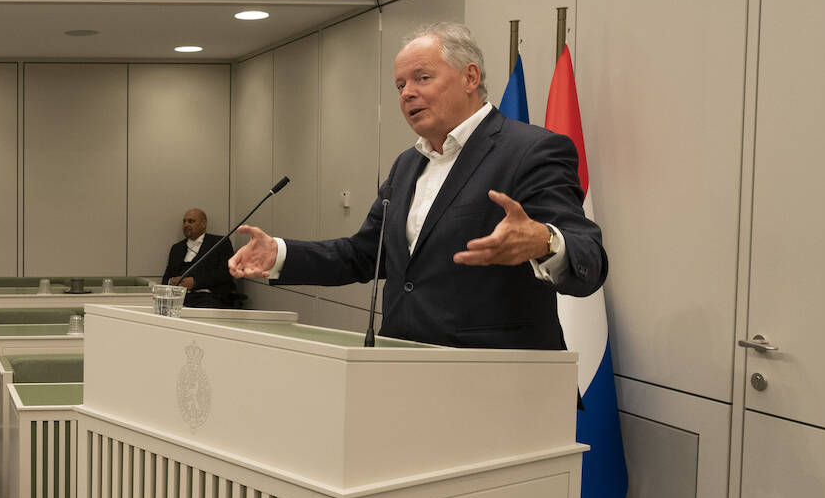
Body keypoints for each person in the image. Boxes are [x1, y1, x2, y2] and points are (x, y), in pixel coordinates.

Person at [229, 22, 607, 350]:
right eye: (400, 85)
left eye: (422, 78)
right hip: (401, 365)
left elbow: (589, 254)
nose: (407, 93)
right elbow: (363, 254)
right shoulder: (408, 165)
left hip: (494, 381)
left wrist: (545, 241)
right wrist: (278, 253)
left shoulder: (531, 150)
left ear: (470, 77)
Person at [160, 208, 240, 308]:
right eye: (184, 221)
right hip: (179, 298)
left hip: (210, 297)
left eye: (191, 221)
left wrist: (195, 282)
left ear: (203, 224)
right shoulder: (177, 248)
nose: (186, 225)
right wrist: (171, 281)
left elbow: (226, 273)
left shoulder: (220, 243)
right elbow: (166, 278)